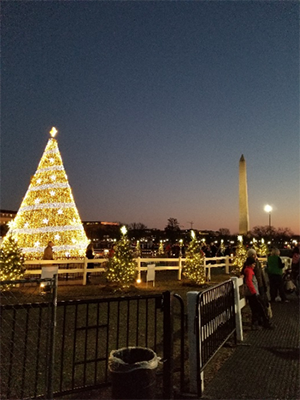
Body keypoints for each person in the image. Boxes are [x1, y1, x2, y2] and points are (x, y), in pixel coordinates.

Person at [243, 256, 274, 330]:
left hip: (252, 293)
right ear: (250, 264)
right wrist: (254, 292)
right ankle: (265, 323)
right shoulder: (249, 271)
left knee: (256, 309)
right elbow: (249, 281)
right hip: (253, 293)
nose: (254, 266)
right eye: (253, 264)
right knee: (261, 308)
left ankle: (256, 324)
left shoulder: (248, 270)